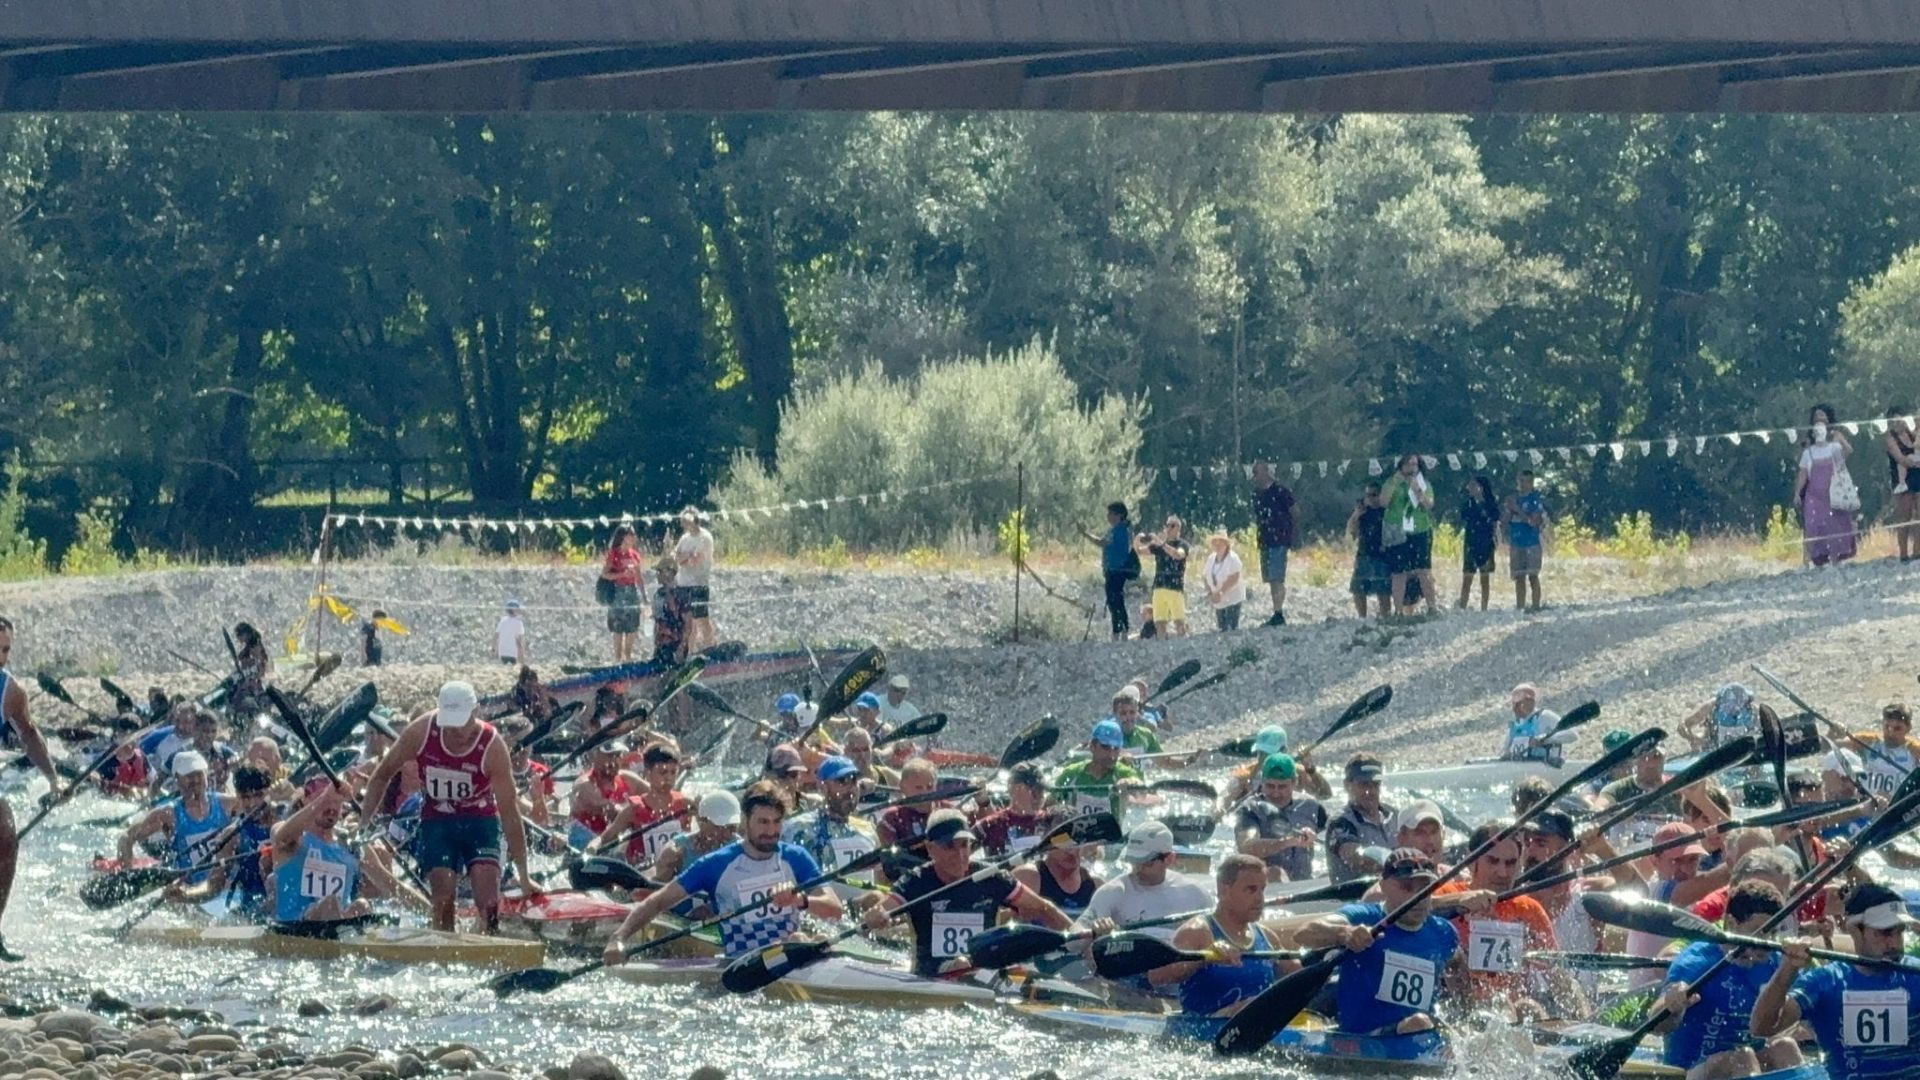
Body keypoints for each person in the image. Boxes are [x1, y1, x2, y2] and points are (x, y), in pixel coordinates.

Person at [361, 680, 536, 933]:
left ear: (476, 713)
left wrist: (525, 874)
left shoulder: (493, 746)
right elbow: (381, 775)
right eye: (449, 722)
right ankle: (444, 948)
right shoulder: (420, 731)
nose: (454, 730)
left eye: (461, 722)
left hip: (480, 821)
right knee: (443, 901)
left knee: (488, 904)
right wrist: (366, 824)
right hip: (438, 821)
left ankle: (485, 940)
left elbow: (510, 812)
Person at [603, 782, 843, 962]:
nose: (771, 830)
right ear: (745, 821)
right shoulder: (717, 864)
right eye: (763, 822)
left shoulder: (795, 857)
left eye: (777, 822)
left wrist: (799, 900)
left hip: (791, 950)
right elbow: (657, 902)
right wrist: (618, 939)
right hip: (743, 961)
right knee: (802, 942)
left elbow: (834, 908)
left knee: (814, 941)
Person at [863, 808, 1071, 977]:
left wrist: (1080, 938)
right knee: (960, 964)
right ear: (930, 848)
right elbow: (885, 909)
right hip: (930, 978)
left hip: (984, 977)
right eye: (950, 847)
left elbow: (1044, 909)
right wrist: (876, 916)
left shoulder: (990, 877)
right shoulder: (916, 881)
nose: (960, 855)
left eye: (965, 845)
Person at [1752, 881, 1920, 1080]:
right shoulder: (1827, 981)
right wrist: (1787, 969)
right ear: (1855, 930)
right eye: (1884, 932)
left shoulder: (1914, 973)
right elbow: (1762, 1028)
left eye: (1900, 931)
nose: (1895, 943)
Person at [1293, 848, 1460, 1035]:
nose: (1418, 898)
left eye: (1425, 888)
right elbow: (1302, 934)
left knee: (1429, 1025)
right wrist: (1345, 933)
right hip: (1364, 1037)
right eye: (1407, 887)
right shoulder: (1364, 917)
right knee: (1419, 1023)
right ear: (1383, 886)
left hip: (1418, 1036)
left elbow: (1458, 972)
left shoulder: (1443, 932)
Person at [1654, 880, 1802, 1080]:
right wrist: (1673, 1006)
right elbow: (1656, 1023)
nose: (1767, 942)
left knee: (1785, 1047)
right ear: (1732, 924)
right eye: (1760, 931)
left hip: (1746, 1067)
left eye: (1773, 932)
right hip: (1688, 1072)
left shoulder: (1775, 963)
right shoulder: (1698, 961)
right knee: (1742, 1057)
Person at [1432, 821, 1573, 1019]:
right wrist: (1459, 902)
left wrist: (1586, 1020)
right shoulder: (1447, 895)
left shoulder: (1528, 910)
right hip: (1458, 1007)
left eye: (1510, 863)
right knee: (1502, 1006)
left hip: (1512, 1012)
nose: (1502, 873)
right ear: (1472, 861)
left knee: (1529, 1007)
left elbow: (1559, 978)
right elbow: (1410, 909)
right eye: (1493, 861)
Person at [1157, 853, 1290, 1014]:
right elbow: (1157, 977)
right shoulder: (1197, 932)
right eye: (1251, 890)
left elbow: (1301, 979)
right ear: (1224, 890)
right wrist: (1205, 957)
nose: (1259, 899)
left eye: (1262, 889)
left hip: (1254, 1030)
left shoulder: (1267, 937)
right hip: (1201, 1032)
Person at [0, 617, 62, 961]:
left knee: (6, 834)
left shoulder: (10, 691)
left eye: (5, 650)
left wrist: (53, 777)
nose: (1, 657)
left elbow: (29, 735)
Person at [271, 778, 405, 924]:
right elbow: (282, 839)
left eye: (336, 802)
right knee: (330, 903)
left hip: (338, 926)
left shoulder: (350, 844)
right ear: (306, 801)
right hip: (293, 927)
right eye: (326, 800)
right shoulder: (289, 834)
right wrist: (325, 798)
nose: (331, 807)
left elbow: (392, 885)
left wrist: (432, 909)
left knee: (362, 906)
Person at [1625, 821, 1728, 986]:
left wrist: (1727, 845)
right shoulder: (1655, 891)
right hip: (1647, 998)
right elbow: (1716, 878)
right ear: (1655, 861)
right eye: (1676, 861)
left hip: (1685, 991)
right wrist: (1737, 857)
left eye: (1692, 859)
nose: (1686, 870)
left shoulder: (1703, 886)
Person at [119, 751, 234, 886]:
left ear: (206, 775)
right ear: (177, 779)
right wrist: (128, 873)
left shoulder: (229, 804)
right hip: (190, 888)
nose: (195, 780)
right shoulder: (168, 814)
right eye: (189, 776)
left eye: (198, 774)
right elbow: (126, 838)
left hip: (225, 886)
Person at [1081, 821, 1211, 937]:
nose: (1137, 869)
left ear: (1169, 859)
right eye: (1134, 862)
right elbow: (1074, 937)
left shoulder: (1196, 894)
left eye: (1146, 863)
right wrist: (1094, 931)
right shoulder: (1112, 892)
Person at [781, 756, 878, 885]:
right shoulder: (798, 828)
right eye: (842, 781)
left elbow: (880, 875)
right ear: (823, 787)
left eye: (854, 781)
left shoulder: (868, 830)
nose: (850, 789)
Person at [592, 745, 692, 866]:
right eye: (663, 772)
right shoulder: (634, 810)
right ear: (648, 774)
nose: (668, 778)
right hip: (643, 873)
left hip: (679, 871)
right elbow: (605, 838)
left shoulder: (686, 804)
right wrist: (591, 849)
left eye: (673, 772)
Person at [1236, 753, 1326, 883]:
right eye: (1270, 786)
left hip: (1304, 883)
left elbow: (1333, 840)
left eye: (1282, 786)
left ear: (1294, 782)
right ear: (1262, 782)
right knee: (1276, 873)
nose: (1276, 792)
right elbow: (1246, 847)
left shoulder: (1311, 806)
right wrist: (1287, 841)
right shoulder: (1250, 809)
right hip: (1264, 885)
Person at [1795, 403, 1858, 567]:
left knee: (1835, 524)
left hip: (1834, 490)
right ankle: (1809, 560)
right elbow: (1802, 468)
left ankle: (1836, 557)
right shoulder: (1809, 442)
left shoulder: (1835, 438)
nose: (1819, 419)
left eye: (1822, 415)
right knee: (1812, 525)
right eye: (1816, 416)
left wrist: (1840, 441)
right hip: (1813, 490)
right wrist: (1797, 492)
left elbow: (1847, 453)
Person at [1013, 811, 1101, 918]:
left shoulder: (1097, 886)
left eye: (1077, 840)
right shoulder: (1028, 878)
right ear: (1046, 841)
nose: (1071, 850)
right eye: (1063, 841)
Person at [1324, 754, 1396, 885]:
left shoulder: (1393, 815)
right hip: (1355, 900)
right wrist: (1397, 865)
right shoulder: (1340, 823)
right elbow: (1355, 857)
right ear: (1347, 785)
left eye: (1376, 784)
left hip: (1392, 895)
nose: (1371, 791)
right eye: (1364, 785)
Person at [1052, 720, 1143, 822]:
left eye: (1116, 749)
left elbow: (1140, 787)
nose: (1111, 755)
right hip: (1076, 834)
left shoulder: (1123, 773)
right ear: (1092, 746)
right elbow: (1049, 806)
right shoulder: (1072, 773)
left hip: (1111, 836)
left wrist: (1132, 783)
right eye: (1105, 747)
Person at [1382, 454, 1438, 618]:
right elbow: (1384, 502)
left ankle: (1432, 607)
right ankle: (1398, 610)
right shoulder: (1392, 482)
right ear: (1401, 466)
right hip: (1398, 531)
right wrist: (1395, 482)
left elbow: (1429, 505)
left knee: (1423, 570)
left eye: (1415, 464)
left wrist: (1418, 491)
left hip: (1420, 529)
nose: (1412, 467)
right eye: (1408, 464)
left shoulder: (1424, 483)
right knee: (1399, 572)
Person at [653, 789, 740, 883]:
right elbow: (658, 888)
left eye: (731, 828)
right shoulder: (677, 850)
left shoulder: (743, 849)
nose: (727, 834)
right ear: (702, 821)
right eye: (720, 827)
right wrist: (667, 869)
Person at [1251, 462, 1295, 626]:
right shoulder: (1257, 494)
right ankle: (1276, 610)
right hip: (1265, 540)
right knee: (1271, 578)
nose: (1255, 476)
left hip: (1280, 539)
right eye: (1253, 473)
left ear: (1266, 472)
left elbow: (1295, 510)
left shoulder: (1281, 491)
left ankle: (1279, 612)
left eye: (1257, 472)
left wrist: (1288, 531)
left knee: (1277, 577)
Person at [568, 742, 634, 850]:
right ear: (594, 756)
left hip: (610, 846)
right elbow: (612, 811)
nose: (614, 762)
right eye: (610, 756)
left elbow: (656, 794)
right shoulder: (584, 785)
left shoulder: (626, 777)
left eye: (618, 756)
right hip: (584, 847)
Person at [1847, 702, 1918, 799]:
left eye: (1897, 728)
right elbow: (1831, 745)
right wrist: (1834, 732)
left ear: (1908, 728)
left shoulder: (1914, 750)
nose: (1891, 732)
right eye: (1887, 726)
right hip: (1866, 803)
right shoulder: (1869, 741)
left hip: (1896, 807)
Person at [1088, 502, 1136, 641]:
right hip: (1115, 570)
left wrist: (1085, 534)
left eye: (1111, 513)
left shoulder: (1118, 530)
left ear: (1119, 515)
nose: (1108, 517)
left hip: (1115, 571)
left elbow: (1102, 543)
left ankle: (1118, 632)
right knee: (1117, 600)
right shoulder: (1124, 529)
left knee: (1114, 601)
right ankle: (1122, 630)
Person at [671, 507, 717, 654]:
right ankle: (690, 651)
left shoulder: (705, 537)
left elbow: (696, 560)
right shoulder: (684, 538)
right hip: (683, 584)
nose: (685, 524)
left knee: (702, 618)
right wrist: (686, 556)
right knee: (688, 622)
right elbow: (676, 557)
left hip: (699, 584)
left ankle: (711, 647)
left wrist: (686, 557)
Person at [1503, 470, 1549, 612]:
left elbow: (1533, 522)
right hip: (1516, 542)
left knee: (1533, 576)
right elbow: (1504, 521)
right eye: (1521, 481)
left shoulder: (1535, 500)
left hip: (1531, 543)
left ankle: (1536, 606)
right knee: (1519, 577)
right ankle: (1520, 606)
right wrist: (1509, 510)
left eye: (1527, 481)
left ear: (1532, 482)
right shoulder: (1513, 499)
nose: (1524, 484)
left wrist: (1517, 509)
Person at [1347, 482, 1392, 619]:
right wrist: (1356, 515)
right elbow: (1351, 531)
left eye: (1374, 495)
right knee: (1358, 587)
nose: (1371, 498)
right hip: (1364, 553)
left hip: (1382, 554)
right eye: (1368, 495)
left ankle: (1385, 615)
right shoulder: (1363, 512)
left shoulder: (1386, 512)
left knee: (1383, 589)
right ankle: (1362, 616)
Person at [601, 524, 645, 662]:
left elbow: (639, 576)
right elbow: (605, 574)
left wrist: (644, 595)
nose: (633, 537)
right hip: (618, 591)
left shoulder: (635, 555)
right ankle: (618, 657)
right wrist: (621, 574)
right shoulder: (614, 554)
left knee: (633, 625)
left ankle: (628, 655)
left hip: (632, 591)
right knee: (618, 627)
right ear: (623, 536)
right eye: (630, 534)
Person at [1140, 516, 1191, 637]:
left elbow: (1178, 555)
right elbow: (1140, 551)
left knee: (1179, 621)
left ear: (1178, 528)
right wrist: (1138, 540)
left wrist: (1162, 544)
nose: (1169, 528)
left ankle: (1182, 643)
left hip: (1174, 587)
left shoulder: (1182, 544)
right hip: (1159, 587)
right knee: (1159, 622)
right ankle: (1162, 645)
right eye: (1167, 525)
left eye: (1172, 526)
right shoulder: (1157, 546)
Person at [1679, 683, 1760, 754]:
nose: (1734, 708)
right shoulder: (1710, 707)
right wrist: (1694, 739)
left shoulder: (1754, 710)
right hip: (1712, 752)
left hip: (1745, 753)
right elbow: (1682, 726)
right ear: (1720, 701)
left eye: (1738, 704)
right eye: (1729, 705)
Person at [1498, 683, 1570, 764]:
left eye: (1517, 703)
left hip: (1547, 766)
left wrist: (1544, 740)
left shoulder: (1545, 716)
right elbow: (1503, 751)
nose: (1514, 707)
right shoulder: (1516, 723)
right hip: (1521, 768)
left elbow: (1571, 735)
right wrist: (1506, 754)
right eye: (1513, 703)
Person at [1459, 475, 1501, 611]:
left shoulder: (1490, 503)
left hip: (1486, 542)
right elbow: (1464, 515)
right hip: (1471, 541)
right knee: (1467, 576)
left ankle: (1484, 606)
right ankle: (1462, 606)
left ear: (1481, 488)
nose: (1469, 488)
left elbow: (1495, 517)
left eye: (1472, 485)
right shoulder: (1468, 503)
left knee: (1485, 577)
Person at [1885, 405, 1920, 562]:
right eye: (1894, 421)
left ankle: (1918, 550)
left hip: (1917, 476)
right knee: (1904, 517)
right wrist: (1914, 463)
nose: (1897, 424)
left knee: (1919, 515)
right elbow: (1899, 458)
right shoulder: (1890, 438)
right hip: (1902, 480)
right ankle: (1904, 553)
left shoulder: (1913, 436)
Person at [1201, 532, 1246, 632]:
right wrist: (1210, 593)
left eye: (1220, 541)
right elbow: (1205, 576)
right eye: (1215, 542)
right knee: (1222, 629)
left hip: (1233, 600)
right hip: (1218, 601)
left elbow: (1234, 577)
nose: (1217, 544)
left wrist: (1221, 592)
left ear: (1226, 543)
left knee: (1231, 629)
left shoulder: (1232, 558)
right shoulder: (1211, 558)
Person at [648, 555, 687, 664]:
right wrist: (656, 644)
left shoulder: (681, 595)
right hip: (661, 644)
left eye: (660, 571)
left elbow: (688, 624)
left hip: (675, 643)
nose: (657, 575)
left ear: (669, 573)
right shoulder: (658, 594)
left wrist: (681, 647)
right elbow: (657, 621)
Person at [230, 622, 272, 719]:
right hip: (246, 680)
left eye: (239, 635)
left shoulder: (255, 647)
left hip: (253, 683)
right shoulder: (248, 648)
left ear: (245, 634)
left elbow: (259, 668)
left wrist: (249, 677)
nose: (238, 639)